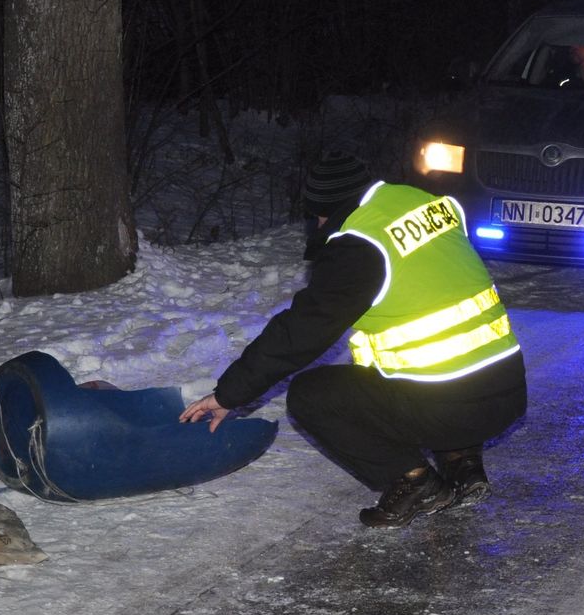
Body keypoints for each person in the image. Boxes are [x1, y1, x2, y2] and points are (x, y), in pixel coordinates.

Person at [179, 150, 528, 528]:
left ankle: (416, 481)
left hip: (450, 407)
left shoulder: (359, 244)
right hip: (507, 390)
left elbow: (299, 333)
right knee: (436, 368)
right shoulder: (427, 202)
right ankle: (462, 462)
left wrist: (228, 395)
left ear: (323, 210)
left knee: (312, 395)